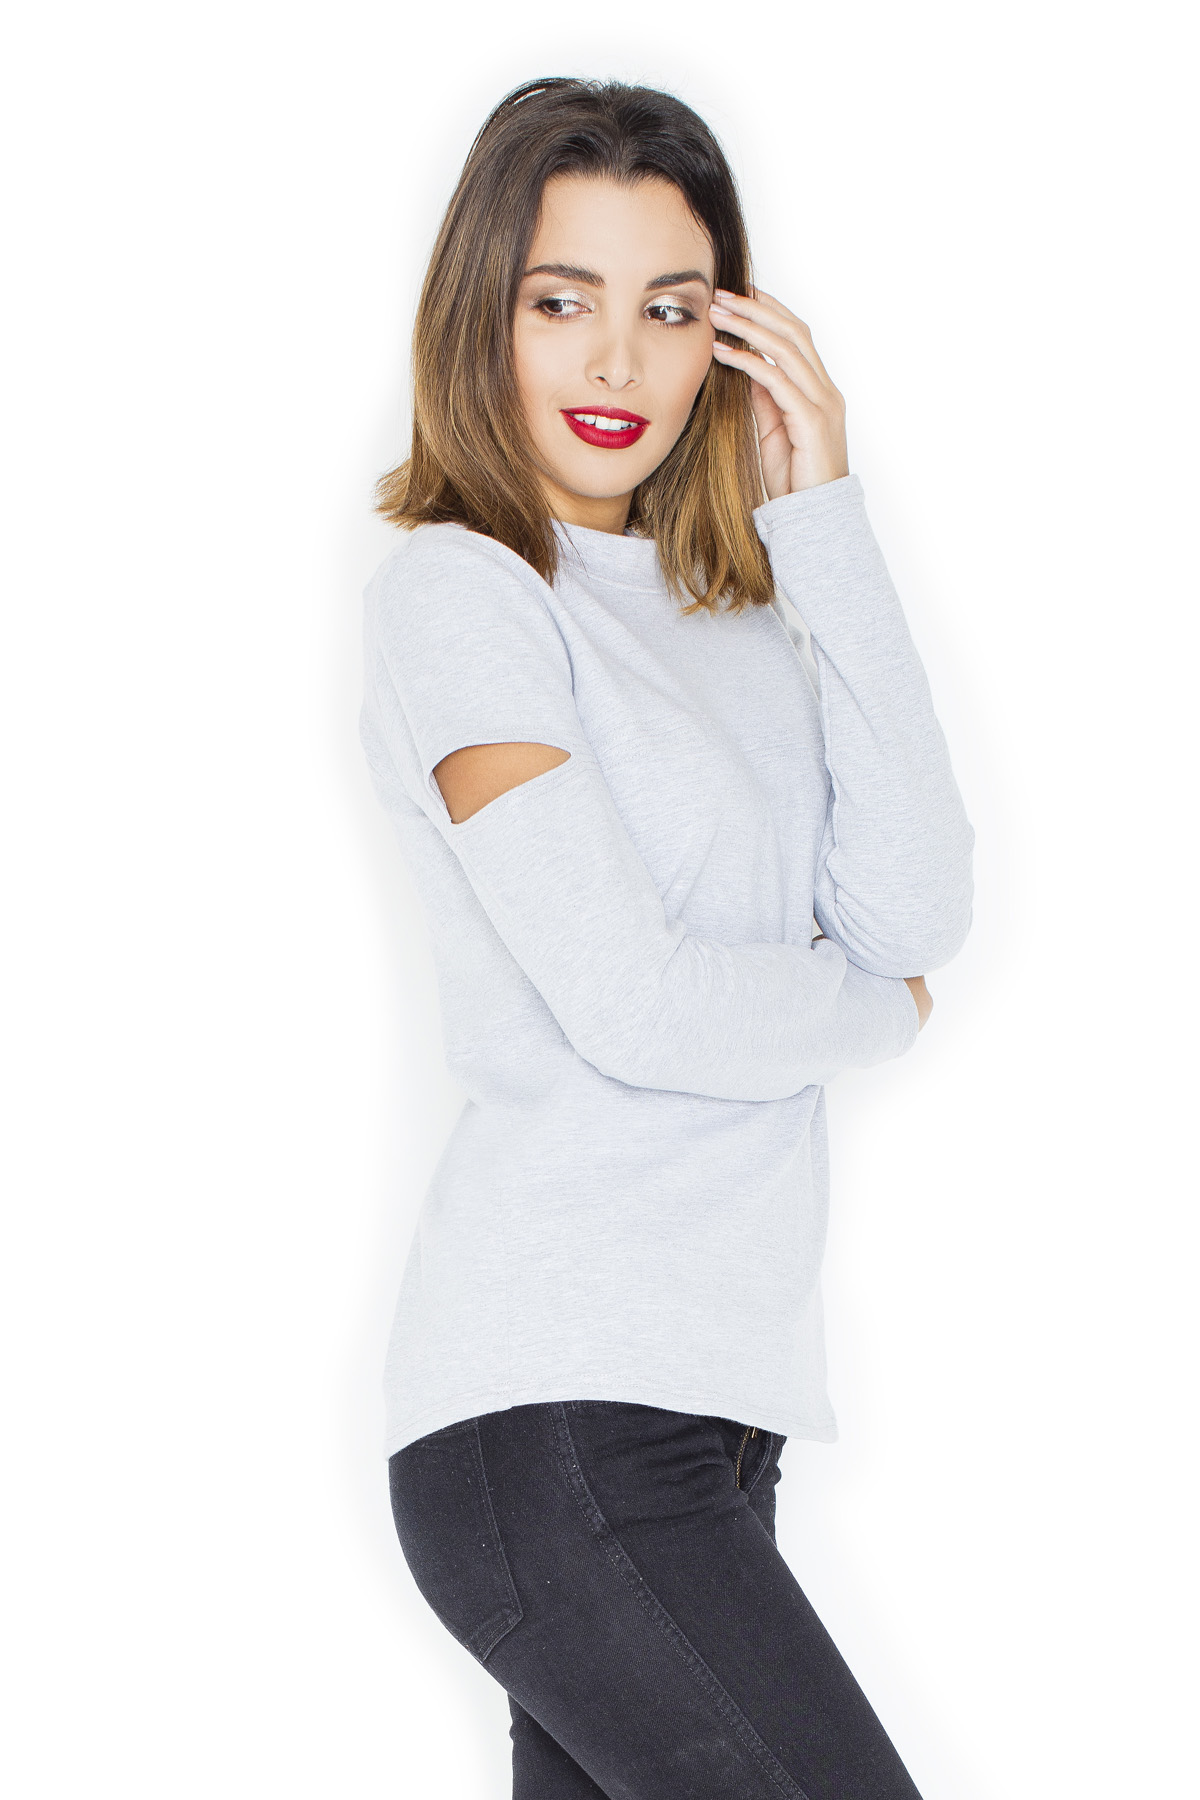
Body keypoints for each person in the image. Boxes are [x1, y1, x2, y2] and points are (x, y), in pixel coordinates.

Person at [359, 74, 974, 1800]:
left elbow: (918, 908)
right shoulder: (463, 596)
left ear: (731, 338)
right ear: (483, 317)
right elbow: (632, 1002)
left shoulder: (741, 619)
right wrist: (881, 1013)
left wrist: (819, 518)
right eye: (562, 302)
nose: (616, 360)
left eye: (672, 308)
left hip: (713, 1417)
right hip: (556, 1410)